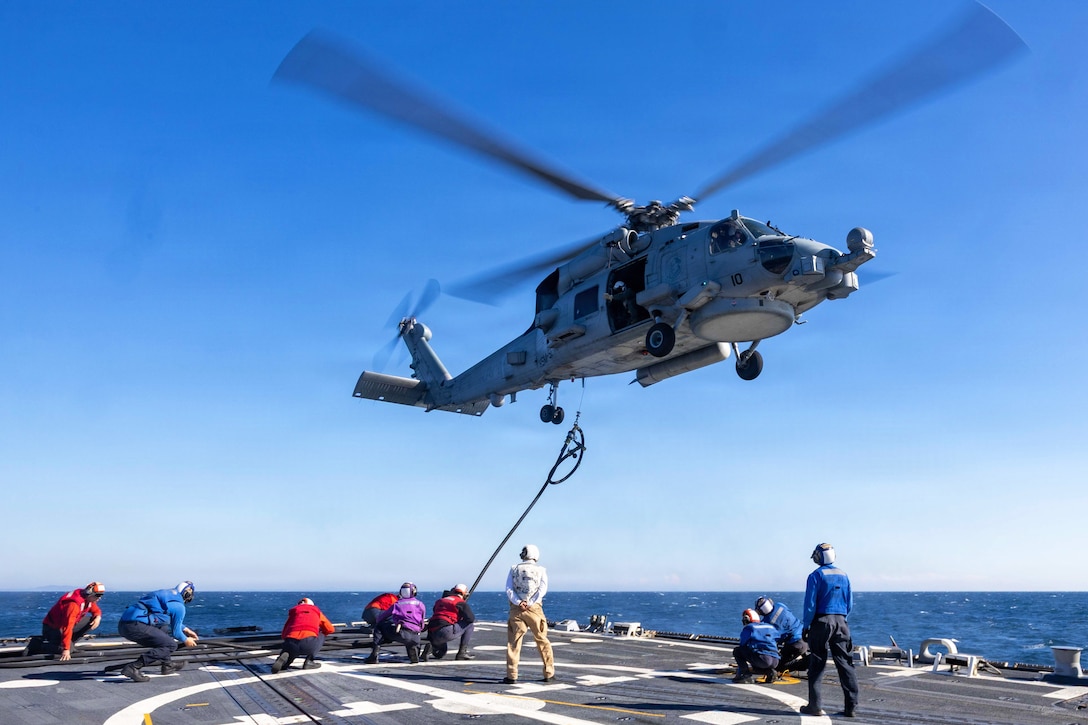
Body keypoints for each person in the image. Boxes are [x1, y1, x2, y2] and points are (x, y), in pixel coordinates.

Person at [801, 543, 859, 718]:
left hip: (821, 622)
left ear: (819, 557)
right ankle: (851, 707)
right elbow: (849, 604)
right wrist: (841, 619)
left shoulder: (815, 575)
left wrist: (806, 625)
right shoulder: (844, 575)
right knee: (846, 664)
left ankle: (815, 706)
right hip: (841, 622)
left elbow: (810, 605)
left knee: (817, 663)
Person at [115, 581, 198, 682]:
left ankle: (167, 665)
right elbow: (176, 633)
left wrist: (186, 629)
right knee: (171, 645)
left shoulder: (167, 595)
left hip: (124, 625)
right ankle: (134, 667)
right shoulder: (179, 607)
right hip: (135, 626)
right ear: (187, 594)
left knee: (163, 628)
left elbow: (164, 618)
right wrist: (186, 640)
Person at [504, 544, 554, 684]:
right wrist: (530, 602)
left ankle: (511, 675)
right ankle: (548, 673)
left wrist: (519, 602)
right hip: (534, 609)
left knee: (514, 643)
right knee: (542, 639)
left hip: (516, 608)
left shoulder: (514, 569)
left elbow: (509, 589)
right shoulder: (541, 570)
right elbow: (542, 589)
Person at [30, 582, 105, 660]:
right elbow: (67, 626)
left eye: (101, 595)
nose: (99, 598)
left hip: (64, 627)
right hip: (53, 628)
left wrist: (98, 617)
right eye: (98, 595)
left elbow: (95, 610)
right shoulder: (73, 605)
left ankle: (70, 643)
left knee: (92, 621)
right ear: (90, 594)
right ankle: (38, 645)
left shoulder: (88, 599)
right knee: (65, 649)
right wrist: (66, 649)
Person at [365, 582, 426, 664]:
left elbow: (382, 617)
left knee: (380, 627)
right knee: (411, 640)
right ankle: (413, 652)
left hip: (402, 634)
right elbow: (422, 621)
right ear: (414, 592)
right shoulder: (420, 604)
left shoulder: (397, 604)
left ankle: (374, 655)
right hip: (416, 636)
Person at [272, 597, 336, 673]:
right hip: (308, 644)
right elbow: (330, 629)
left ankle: (286, 661)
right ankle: (309, 661)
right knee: (322, 633)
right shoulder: (316, 611)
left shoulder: (294, 613)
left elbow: (284, 633)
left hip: (290, 643)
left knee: (291, 647)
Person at [755, 595, 810, 673]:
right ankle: (809, 660)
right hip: (805, 636)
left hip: (796, 645)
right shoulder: (780, 605)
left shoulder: (767, 623)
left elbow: (772, 642)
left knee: (778, 667)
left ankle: (808, 662)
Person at [422, 584, 476, 661]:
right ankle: (462, 653)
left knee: (440, 654)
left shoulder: (440, 601)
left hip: (432, 632)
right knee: (470, 625)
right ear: (464, 594)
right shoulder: (460, 602)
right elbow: (471, 619)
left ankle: (432, 647)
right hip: (445, 632)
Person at [732, 608, 780, 684]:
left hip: (762, 659)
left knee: (737, 651)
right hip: (775, 660)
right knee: (755, 664)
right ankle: (770, 672)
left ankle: (745, 675)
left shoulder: (749, 628)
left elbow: (742, 644)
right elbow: (778, 638)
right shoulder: (770, 627)